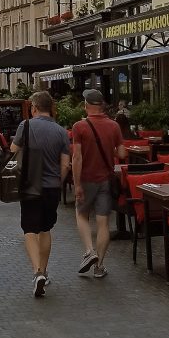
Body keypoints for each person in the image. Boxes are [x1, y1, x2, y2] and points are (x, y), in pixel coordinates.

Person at [11, 91, 71, 298]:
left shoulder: (25, 126)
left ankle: (37, 272)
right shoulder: (61, 132)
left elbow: (13, 149)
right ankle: (44, 270)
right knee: (45, 228)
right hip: (51, 187)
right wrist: (58, 181)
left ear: (33, 108)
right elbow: (65, 164)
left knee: (29, 229)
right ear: (51, 108)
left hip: (30, 185)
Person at [71, 89, 126, 279]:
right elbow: (122, 154)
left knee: (82, 214)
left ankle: (89, 251)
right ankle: (100, 266)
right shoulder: (114, 126)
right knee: (103, 222)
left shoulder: (79, 127)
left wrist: (76, 184)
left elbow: (77, 157)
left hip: (86, 179)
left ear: (86, 106)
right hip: (106, 180)